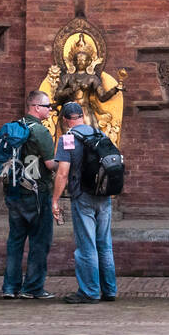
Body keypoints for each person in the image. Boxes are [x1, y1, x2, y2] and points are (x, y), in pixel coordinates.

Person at [51, 102, 118, 305]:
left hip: (83, 197)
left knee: (86, 245)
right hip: (104, 195)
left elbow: (63, 172)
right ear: (82, 116)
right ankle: (109, 290)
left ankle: (89, 291)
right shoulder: (100, 135)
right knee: (104, 244)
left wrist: (55, 200)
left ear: (65, 120)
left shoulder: (68, 139)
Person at [1, 91, 58, 299]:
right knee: (40, 240)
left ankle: (10, 287)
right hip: (36, 193)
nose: (50, 110)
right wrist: (67, 165)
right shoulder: (41, 132)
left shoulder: (14, 127)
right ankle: (32, 287)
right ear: (36, 107)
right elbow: (51, 164)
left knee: (15, 240)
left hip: (13, 191)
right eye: (47, 106)